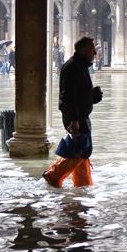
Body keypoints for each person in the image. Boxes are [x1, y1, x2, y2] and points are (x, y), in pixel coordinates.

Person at [43, 37, 104, 188]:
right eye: (92, 49)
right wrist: (74, 121)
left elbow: (79, 94)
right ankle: (53, 175)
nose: (95, 52)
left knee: (83, 151)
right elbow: (67, 97)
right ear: (83, 50)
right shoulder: (72, 67)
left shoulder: (81, 66)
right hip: (75, 118)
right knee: (79, 150)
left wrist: (92, 96)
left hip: (80, 116)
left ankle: (82, 186)